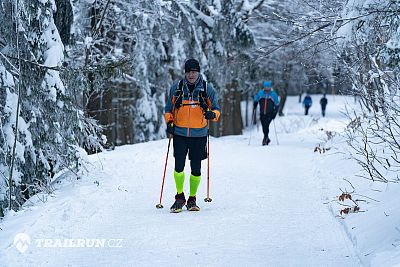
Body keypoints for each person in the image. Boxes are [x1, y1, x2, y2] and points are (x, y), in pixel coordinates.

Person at [164, 59, 221, 213]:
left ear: (198, 72)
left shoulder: (207, 89)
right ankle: (179, 197)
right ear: (185, 72)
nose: (191, 74)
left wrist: (212, 114)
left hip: (200, 134)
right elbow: (168, 109)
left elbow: (216, 109)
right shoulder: (176, 88)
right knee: (179, 167)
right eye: (189, 71)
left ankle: (192, 199)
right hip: (180, 133)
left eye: (194, 71)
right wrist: (169, 122)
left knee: (196, 168)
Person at [253, 80, 280, 146]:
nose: (267, 88)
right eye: (265, 87)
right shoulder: (261, 93)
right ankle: (266, 138)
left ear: (270, 87)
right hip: (262, 113)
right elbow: (256, 98)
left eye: (268, 87)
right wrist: (255, 103)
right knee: (263, 126)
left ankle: (265, 139)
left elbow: (277, 104)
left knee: (266, 125)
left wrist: (275, 113)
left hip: (270, 113)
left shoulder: (273, 94)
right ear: (264, 87)